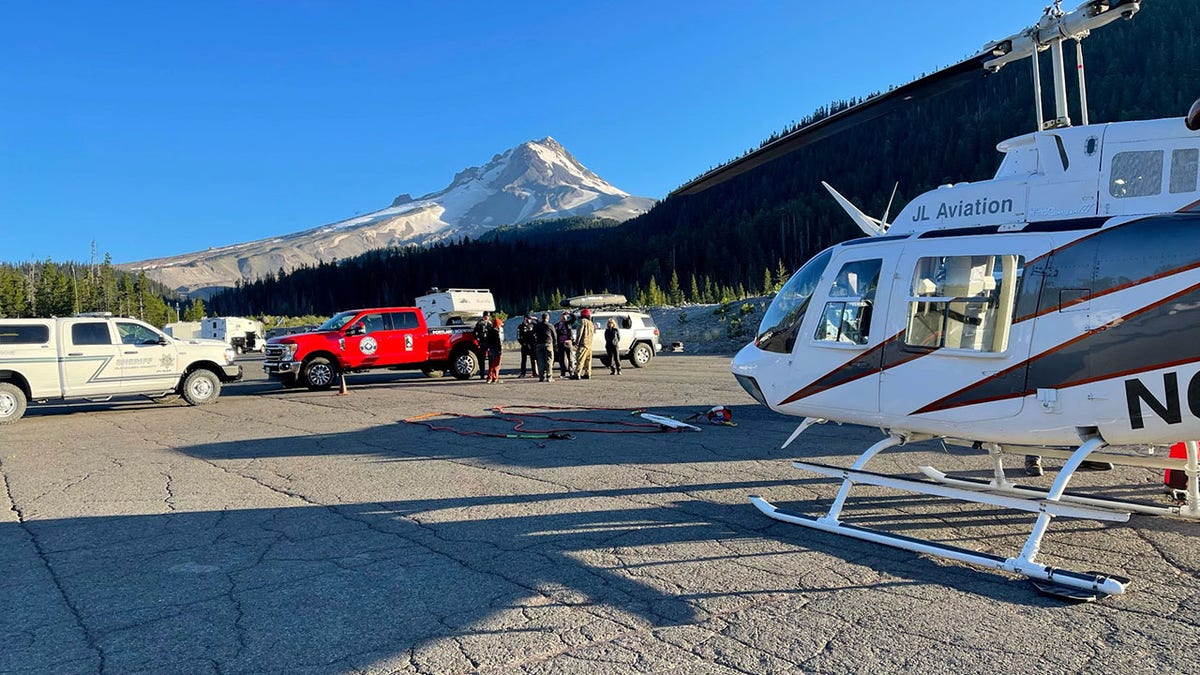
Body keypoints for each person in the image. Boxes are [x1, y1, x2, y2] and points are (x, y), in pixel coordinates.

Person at [533, 312, 555, 382]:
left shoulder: (537, 326)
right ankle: (549, 376)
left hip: (539, 344)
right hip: (548, 343)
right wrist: (555, 344)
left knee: (540, 361)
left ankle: (541, 377)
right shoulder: (550, 325)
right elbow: (554, 335)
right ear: (548, 318)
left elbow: (533, 333)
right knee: (549, 360)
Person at [574, 308, 595, 379]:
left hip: (583, 344)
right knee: (588, 361)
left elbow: (579, 333)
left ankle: (577, 373)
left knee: (580, 359)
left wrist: (577, 343)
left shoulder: (582, 322)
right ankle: (588, 373)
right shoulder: (591, 323)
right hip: (589, 344)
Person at [555, 311, 575, 379]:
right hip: (560, 343)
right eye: (562, 316)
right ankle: (562, 373)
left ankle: (571, 371)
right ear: (560, 317)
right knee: (561, 359)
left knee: (570, 358)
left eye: (565, 317)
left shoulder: (568, 323)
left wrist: (570, 313)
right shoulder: (557, 325)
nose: (564, 318)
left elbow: (574, 318)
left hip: (568, 342)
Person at [517, 313, 538, 378]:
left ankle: (534, 372)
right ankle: (523, 373)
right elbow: (518, 337)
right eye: (528, 318)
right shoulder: (520, 326)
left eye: (530, 319)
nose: (529, 320)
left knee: (533, 359)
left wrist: (536, 319)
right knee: (524, 360)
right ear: (525, 318)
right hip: (525, 345)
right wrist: (523, 344)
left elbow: (540, 325)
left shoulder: (532, 325)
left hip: (532, 345)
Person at [473, 311, 492, 381]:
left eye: (488, 316)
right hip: (482, 342)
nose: (487, 317)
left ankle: (490, 374)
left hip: (489, 343)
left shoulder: (490, 324)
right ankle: (482, 374)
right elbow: (475, 333)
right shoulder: (479, 324)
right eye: (486, 316)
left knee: (491, 359)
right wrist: (478, 340)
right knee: (482, 359)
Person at [486, 316, 504, 383]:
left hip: (491, 350)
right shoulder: (497, 332)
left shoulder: (489, 331)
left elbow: (487, 341)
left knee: (491, 364)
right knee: (496, 365)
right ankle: (495, 377)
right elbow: (499, 342)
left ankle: (490, 377)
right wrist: (500, 350)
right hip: (497, 350)